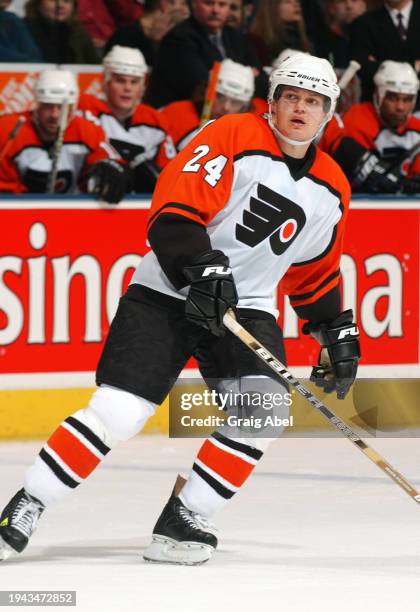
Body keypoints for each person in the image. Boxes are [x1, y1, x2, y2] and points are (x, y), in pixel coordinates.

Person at [0, 54, 360, 566]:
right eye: (292, 97)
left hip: (245, 307)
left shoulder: (332, 186)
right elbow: (175, 208)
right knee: (121, 411)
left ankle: (186, 515)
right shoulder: (231, 134)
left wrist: (333, 327)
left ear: (329, 113)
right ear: (273, 101)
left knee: (262, 413)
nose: (301, 109)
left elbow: (313, 270)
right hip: (167, 291)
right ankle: (28, 502)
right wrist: (201, 267)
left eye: (314, 102)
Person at [0, 69, 126, 202]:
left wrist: (111, 168)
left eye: (62, 107)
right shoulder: (8, 129)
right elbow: (5, 191)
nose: (55, 115)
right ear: (36, 104)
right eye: (48, 106)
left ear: (74, 107)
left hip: (71, 213)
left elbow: (112, 161)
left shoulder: (87, 132)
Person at [78, 45, 176, 193]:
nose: (127, 88)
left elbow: (170, 175)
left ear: (142, 86)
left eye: (134, 82)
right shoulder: (86, 109)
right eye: (120, 80)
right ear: (106, 82)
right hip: (89, 201)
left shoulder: (156, 121)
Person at [144, 0, 267, 108]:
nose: (215, 10)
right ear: (194, 4)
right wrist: (247, 75)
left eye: (222, 4)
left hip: (226, 113)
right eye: (209, 3)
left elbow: (263, 81)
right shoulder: (178, 38)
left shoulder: (235, 37)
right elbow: (204, 86)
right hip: (181, 118)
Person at [333, 60, 420, 193]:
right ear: (379, 95)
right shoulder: (358, 118)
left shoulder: (417, 128)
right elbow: (353, 173)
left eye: (407, 99)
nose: (400, 107)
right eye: (392, 98)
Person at [160, 58, 255, 151]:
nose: (226, 107)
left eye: (236, 102)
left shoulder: (246, 136)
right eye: (220, 96)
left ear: (244, 107)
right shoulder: (177, 114)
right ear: (206, 91)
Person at [349, 0, 420, 102]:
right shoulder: (363, 23)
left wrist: (381, 65)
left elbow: (374, 68)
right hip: (377, 107)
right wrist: (415, 66)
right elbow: (363, 68)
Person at [104, 0, 190, 68]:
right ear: (164, 4)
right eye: (184, 3)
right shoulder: (125, 37)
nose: (186, 10)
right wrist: (156, 44)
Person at [24, 0, 99, 64]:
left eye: (66, 1)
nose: (60, 5)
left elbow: (94, 66)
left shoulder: (78, 32)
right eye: (53, 0)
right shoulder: (24, 29)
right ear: (37, 4)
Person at [248, 0, 312, 67]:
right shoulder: (257, 42)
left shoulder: (304, 41)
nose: (296, 4)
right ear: (272, 8)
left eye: (296, 1)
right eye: (287, 1)